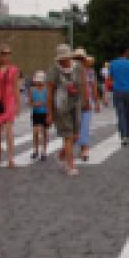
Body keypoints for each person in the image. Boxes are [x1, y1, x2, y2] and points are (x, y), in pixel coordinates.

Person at [47, 43, 87, 176]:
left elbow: (82, 85)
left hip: (76, 104)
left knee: (75, 135)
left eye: (66, 58)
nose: (64, 60)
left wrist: (85, 101)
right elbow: (50, 92)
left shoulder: (78, 67)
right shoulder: (54, 70)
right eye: (61, 58)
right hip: (61, 106)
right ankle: (70, 165)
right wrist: (50, 113)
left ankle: (62, 154)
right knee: (68, 136)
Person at [74, 49, 101, 162]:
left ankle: (85, 149)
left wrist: (96, 102)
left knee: (84, 125)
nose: (79, 61)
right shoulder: (71, 71)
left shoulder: (90, 72)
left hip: (87, 101)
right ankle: (77, 148)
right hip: (73, 101)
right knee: (75, 126)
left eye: (81, 58)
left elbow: (94, 87)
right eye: (77, 58)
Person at [108, 48, 129, 145]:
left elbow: (110, 78)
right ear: (126, 53)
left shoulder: (112, 63)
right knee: (128, 113)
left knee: (120, 114)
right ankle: (128, 135)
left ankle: (123, 136)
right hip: (128, 90)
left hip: (117, 90)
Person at [28, 70, 49, 161]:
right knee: (35, 132)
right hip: (36, 113)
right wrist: (34, 104)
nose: (39, 82)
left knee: (44, 132)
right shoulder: (32, 90)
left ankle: (44, 151)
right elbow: (29, 102)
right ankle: (36, 150)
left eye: (40, 81)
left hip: (45, 113)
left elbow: (50, 102)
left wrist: (46, 106)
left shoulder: (47, 89)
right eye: (37, 81)